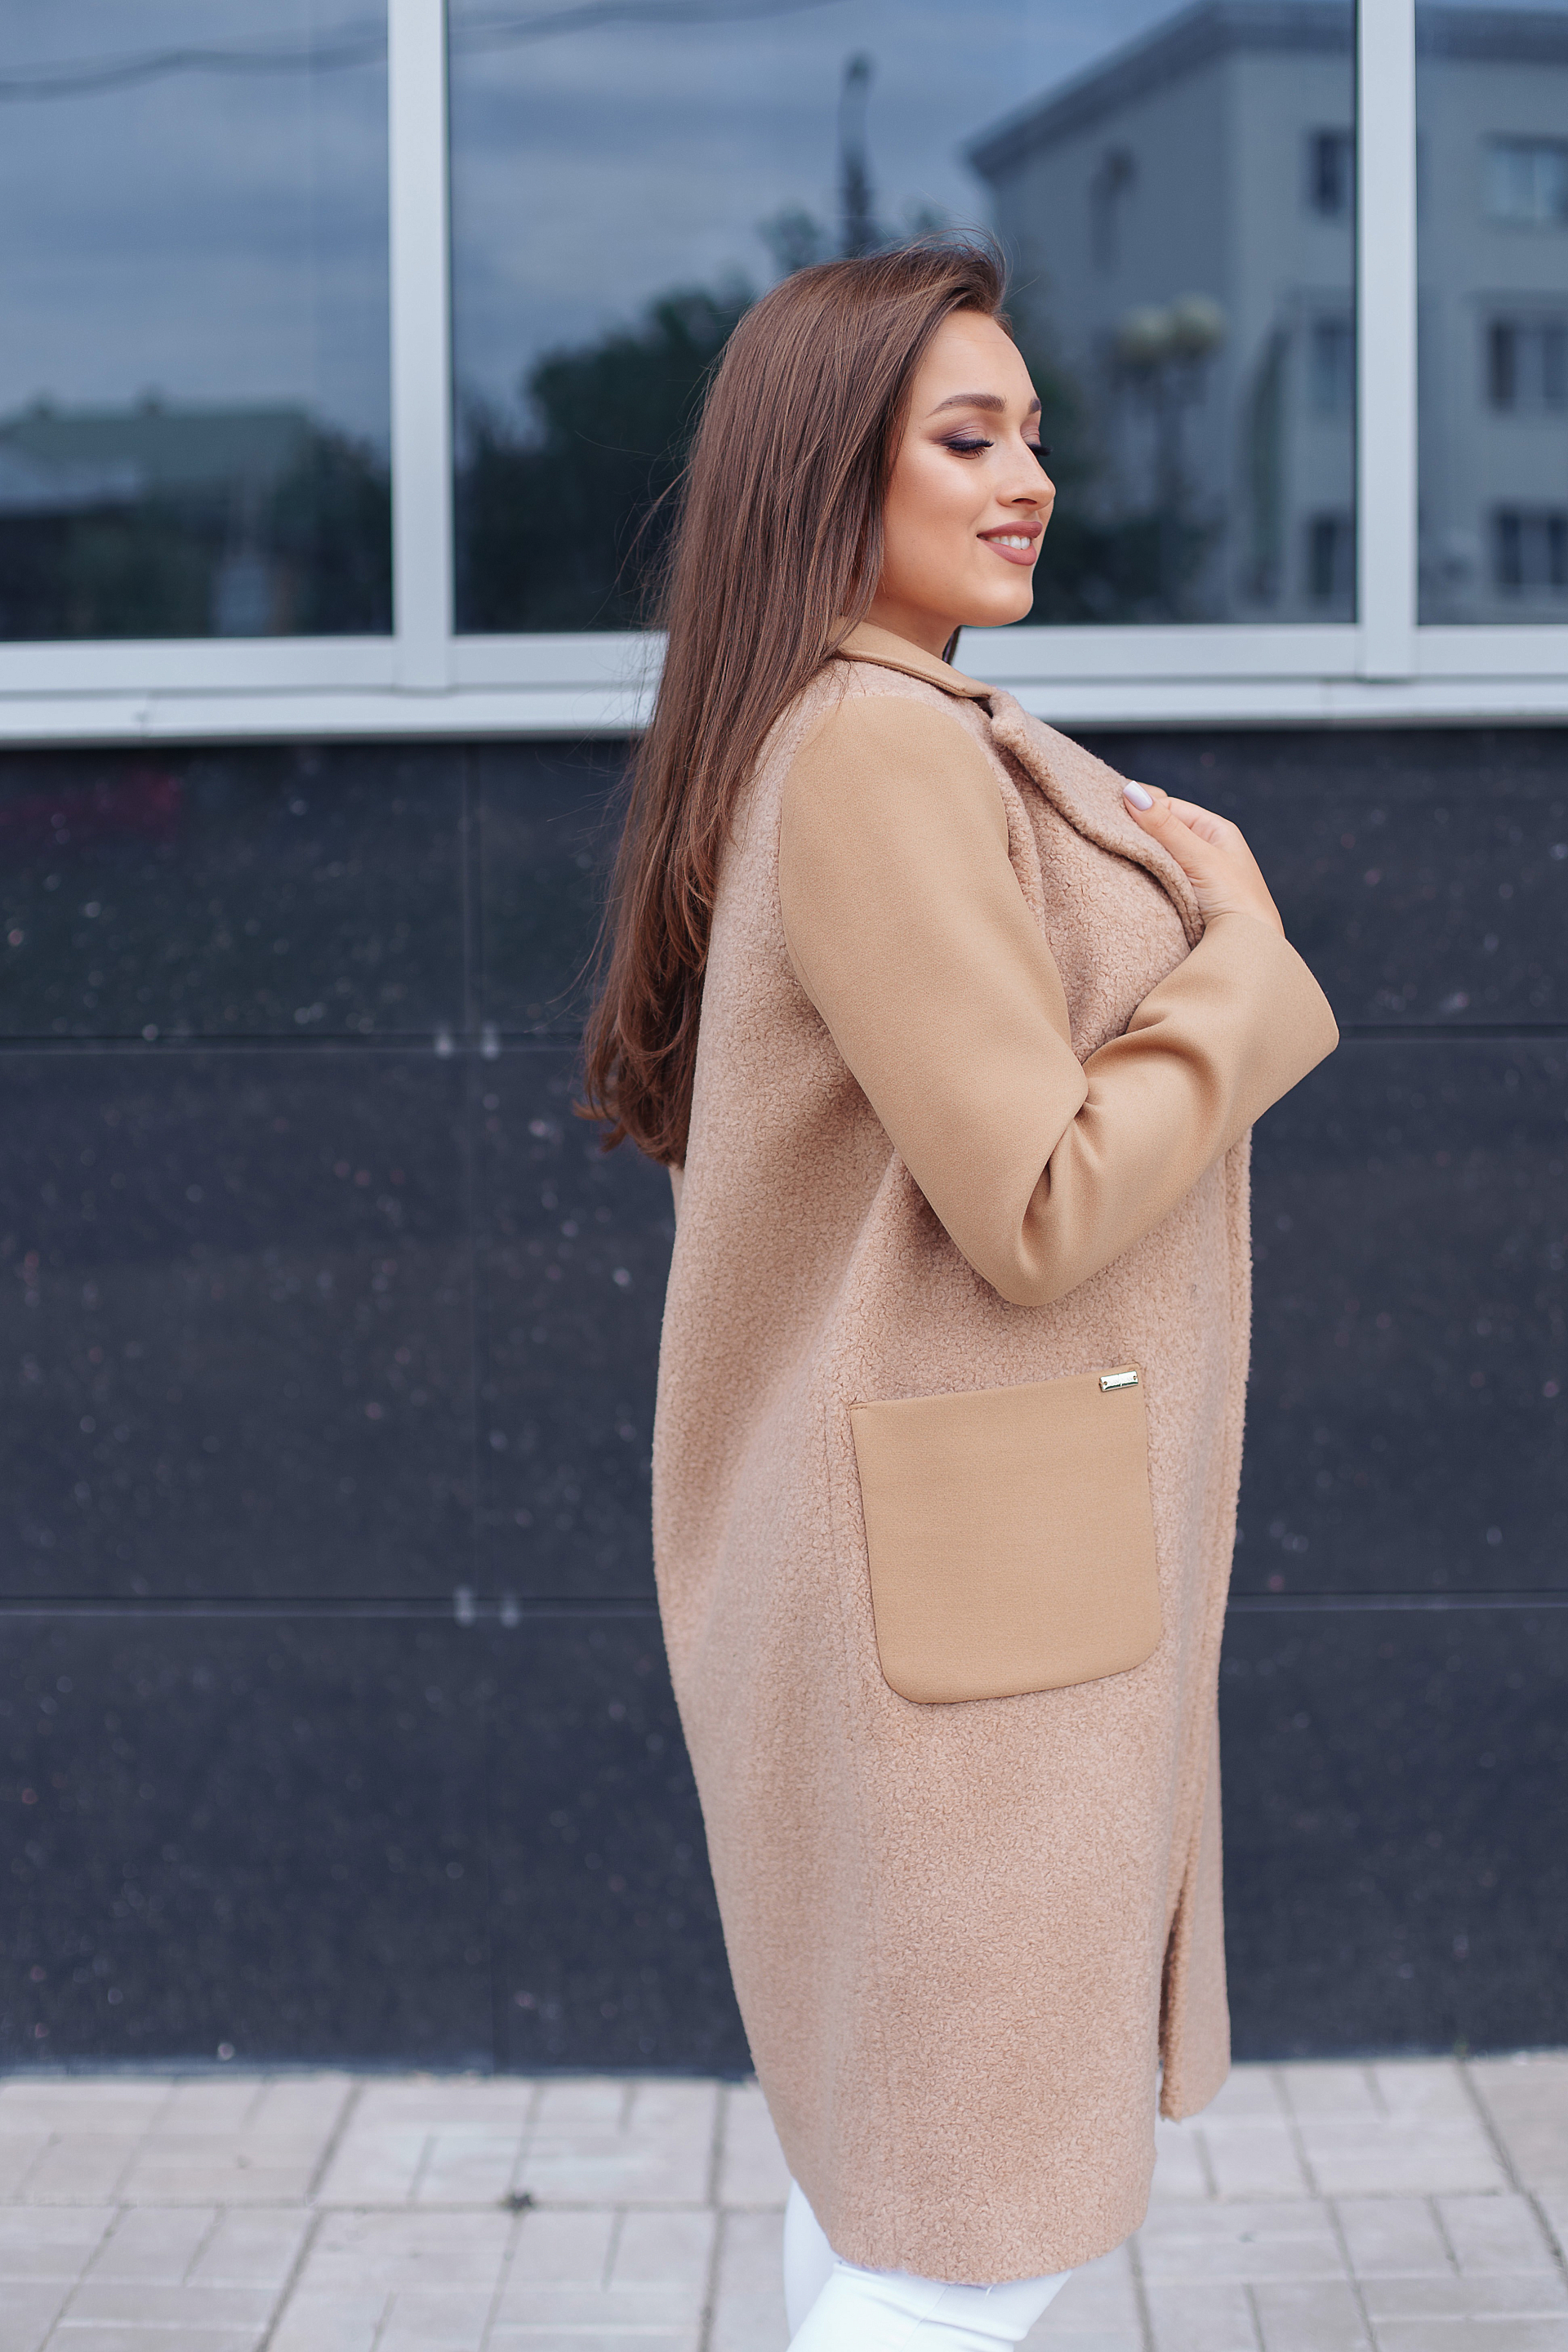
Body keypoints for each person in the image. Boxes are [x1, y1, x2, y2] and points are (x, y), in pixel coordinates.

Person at [582, 239, 1338, 2350]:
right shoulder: (879, 754)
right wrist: (1247, 967)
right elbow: (1037, 1198)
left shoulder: (879, 730)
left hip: (963, 1576)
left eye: (1036, 434)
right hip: (972, 1620)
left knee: (896, 2177)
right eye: (969, 437)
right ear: (837, 470)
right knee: (970, 2230)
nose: (1033, 481)